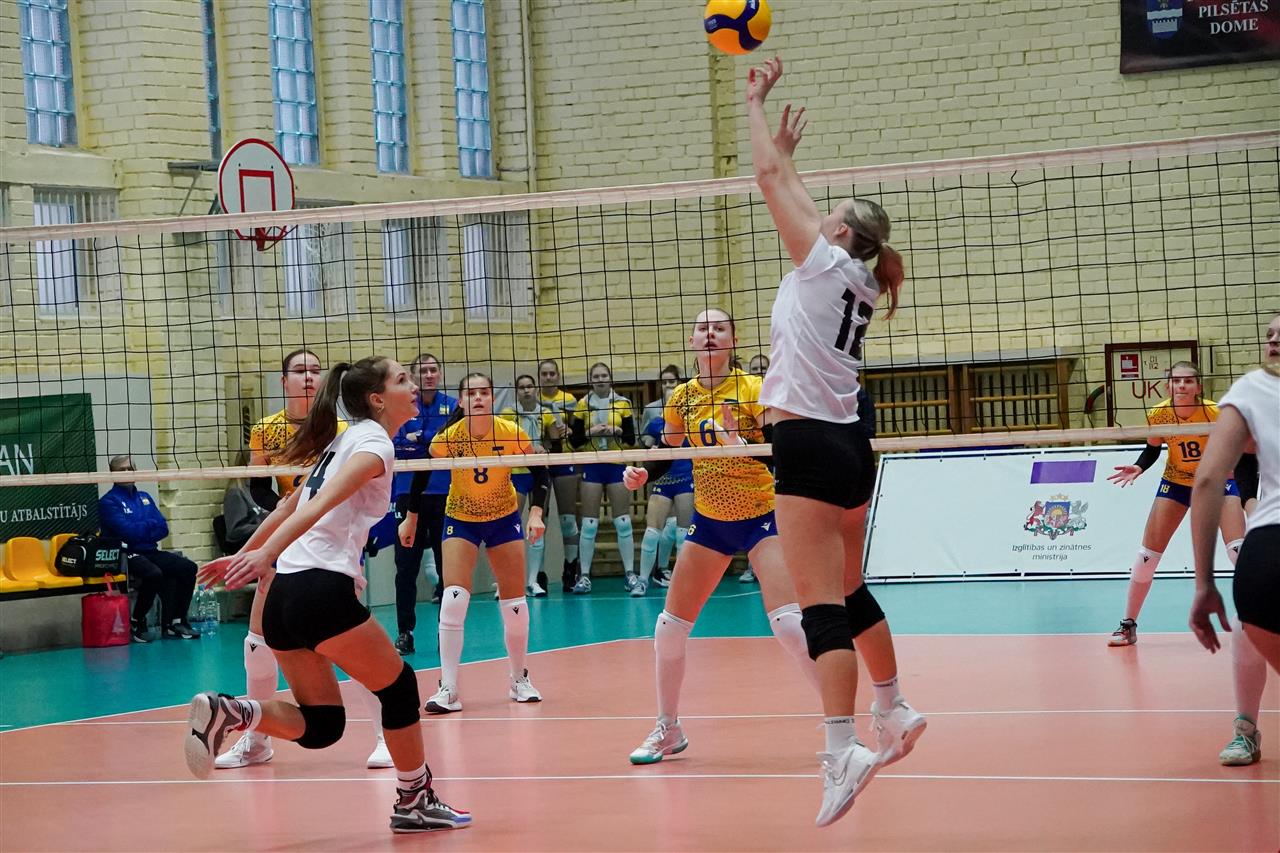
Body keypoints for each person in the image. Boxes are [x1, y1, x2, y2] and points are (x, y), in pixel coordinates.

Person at [747, 56, 925, 827]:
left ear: (842, 232)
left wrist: (755, 105)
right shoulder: (853, 273)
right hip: (853, 443)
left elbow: (767, 182)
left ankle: (841, 747)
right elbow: (791, 191)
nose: (817, 214)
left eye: (832, 213)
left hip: (810, 446)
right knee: (849, 588)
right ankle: (895, 705)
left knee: (818, 602)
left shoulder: (821, 264)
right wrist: (790, 158)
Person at [184, 357, 470, 833]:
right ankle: (414, 800)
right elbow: (315, 505)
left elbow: (286, 506)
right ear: (377, 399)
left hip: (284, 597)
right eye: (401, 379)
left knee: (322, 725)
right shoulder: (373, 443)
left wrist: (249, 553)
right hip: (320, 589)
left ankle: (233, 711)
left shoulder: (343, 440)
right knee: (399, 687)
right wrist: (261, 554)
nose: (413, 386)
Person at [623, 308, 819, 763]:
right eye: (702, 328)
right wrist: (644, 474)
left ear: (732, 340)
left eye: (719, 328)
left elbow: (781, 457)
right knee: (668, 629)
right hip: (710, 521)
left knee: (789, 625)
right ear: (692, 341)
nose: (710, 333)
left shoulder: (754, 388)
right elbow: (669, 451)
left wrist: (741, 445)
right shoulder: (681, 397)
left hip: (761, 516)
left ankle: (841, 721)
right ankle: (668, 728)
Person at [217, 349, 391, 771]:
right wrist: (253, 548)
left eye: (315, 370)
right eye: (299, 371)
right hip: (283, 538)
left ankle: (385, 737)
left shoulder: (346, 430)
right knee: (257, 642)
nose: (309, 377)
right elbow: (260, 491)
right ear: (284, 382)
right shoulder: (266, 430)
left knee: (354, 648)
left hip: (326, 548)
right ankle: (256, 740)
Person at [401, 372, 550, 714]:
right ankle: (448, 687)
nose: (479, 398)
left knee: (515, 605)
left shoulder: (510, 431)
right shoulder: (449, 436)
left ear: (492, 398)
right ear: (462, 401)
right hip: (461, 517)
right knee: (453, 598)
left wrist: (536, 512)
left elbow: (540, 470)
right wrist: (411, 517)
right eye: (471, 393)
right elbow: (422, 472)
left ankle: (519, 678)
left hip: (503, 517)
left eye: (484, 392)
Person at [1105, 361, 1246, 646]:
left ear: (1198, 387)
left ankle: (1259, 619)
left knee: (1238, 552)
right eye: (1176, 381)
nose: (1182, 385)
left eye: (1188, 381)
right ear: (1168, 386)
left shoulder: (1216, 412)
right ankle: (1128, 625)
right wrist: (1139, 466)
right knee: (1146, 558)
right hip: (1177, 483)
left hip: (1215, 483)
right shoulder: (1158, 414)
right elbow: (1152, 448)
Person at [1195, 315, 1278, 767]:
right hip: (1271, 532)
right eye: (1269, 335)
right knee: (1247, 628)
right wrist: (1249, 503)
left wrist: (1203, 583)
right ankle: (1246, 729)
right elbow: (1219, 472)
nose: (1274, 341)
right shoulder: (1254, 391)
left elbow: (1209, 479)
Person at [391, 354, 457, 654]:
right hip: (408, 494)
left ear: (439, 374)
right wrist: (431, 442)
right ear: (414, 376)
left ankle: (447, 630)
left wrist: (420, 439)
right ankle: (405, 632)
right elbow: (396, 446)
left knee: (448, 567)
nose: (429, 374)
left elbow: (452, 444)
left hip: (446, 493)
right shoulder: (402, 405)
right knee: (406, 567)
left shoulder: (453, 406)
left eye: (434, 369)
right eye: (423, 370)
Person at [98, 455, 199, 642]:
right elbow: (128, 534)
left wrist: (141, 529)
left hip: (150, 550)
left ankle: (176, 621)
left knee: (188, 567)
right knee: (153, 573)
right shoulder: (108, 502)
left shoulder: (144, 497)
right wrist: (148, 526)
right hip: (126, 554)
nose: (127, 472)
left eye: (130, 469)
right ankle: (137, 621)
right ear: (112, 474)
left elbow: (163, 528)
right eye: (122, 470)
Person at [570, 362, 637, 593]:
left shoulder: (623, 403)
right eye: (596, 376)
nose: (600, 380)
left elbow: (631, 439)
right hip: (593, 464)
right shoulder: (582, 405)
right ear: (591, 380)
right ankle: (584, 576)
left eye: (604, 376)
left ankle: (630, 574)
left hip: (616, 463)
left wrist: (618, 431)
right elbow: (575, 441)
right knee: (589, 524)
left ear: (610, 379)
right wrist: (591, 432)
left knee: (623, 522)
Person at [634, 365, 692, 596]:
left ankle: (681, 581)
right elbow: (645, 444)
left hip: (686, 478)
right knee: (652, 531)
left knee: (683, 533)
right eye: (669, 403)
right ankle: (642, 580)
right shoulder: (657, 423)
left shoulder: (691, 423)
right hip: (664, 479)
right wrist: (650, 448)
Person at [500, 374, 552, 597]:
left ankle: (532, 581)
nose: (526, 390)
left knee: (537, 525)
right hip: (517, 473)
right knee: (510, 526)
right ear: (517, 391)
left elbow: (554, 442)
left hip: (539, 473)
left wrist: (545, 447)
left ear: (536, 389)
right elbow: (501, 442)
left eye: (530, 386)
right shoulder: (508, 414)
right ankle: (505, 583)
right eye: (522, 387)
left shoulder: (546, 413)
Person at [537, 358, 581, 592]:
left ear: (558, 376)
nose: (548, 377)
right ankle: (539, 574)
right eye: (544, 374)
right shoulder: (533, 399)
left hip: (564, 460)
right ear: (539, 377)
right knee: (539, 520)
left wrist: (570, 430)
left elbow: (577, 431)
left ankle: (570, 568)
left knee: (567, 520)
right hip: (542, 462)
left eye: (552, 373)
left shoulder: (569, 400)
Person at [739, 354, 771, 584]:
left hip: (774, 466)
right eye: (755, 368)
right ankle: (752, 567)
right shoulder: (747, 392)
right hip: (748, 470)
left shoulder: (776, 394)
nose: (759, 371)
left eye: (763, 368)